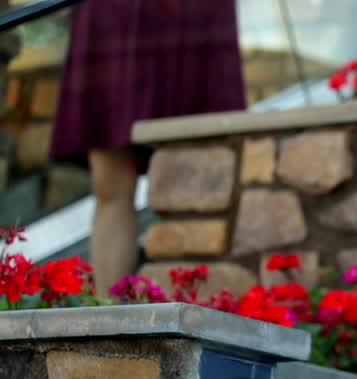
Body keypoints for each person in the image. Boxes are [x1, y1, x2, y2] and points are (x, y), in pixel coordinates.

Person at [50, 0, 246, 296]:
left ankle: (191, 309)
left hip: (185, 15)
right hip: (116, 14)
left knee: (194, 176)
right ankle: (108, 316)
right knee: (111, 182)